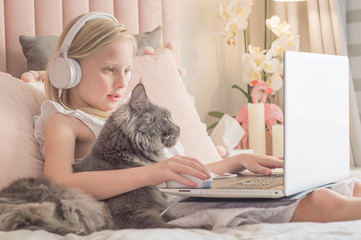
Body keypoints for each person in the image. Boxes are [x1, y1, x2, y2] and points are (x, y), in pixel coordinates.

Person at [35, 12, 361, 227]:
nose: (122, 83)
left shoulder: (129, 117)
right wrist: (153, 171)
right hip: (164, 205)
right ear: (69, 70)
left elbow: (180, 172)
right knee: (316, 202)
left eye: (128, 71)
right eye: (109, 70)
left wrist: (238, 161)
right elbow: (61, 182)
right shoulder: (64, 121)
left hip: (186, 190)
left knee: (345, 185)